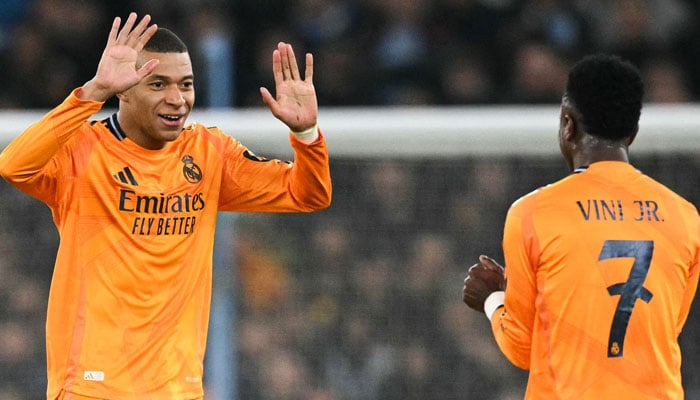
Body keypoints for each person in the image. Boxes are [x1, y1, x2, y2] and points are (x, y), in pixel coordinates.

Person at [0, 12, 331, 400]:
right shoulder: (83, 150)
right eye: (158, 84)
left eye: (186, 85)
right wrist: (92, 92)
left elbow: (307, 193)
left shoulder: (209, 154)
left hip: (178, 389)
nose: (177, 99)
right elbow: (14, 166)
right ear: (123, 89)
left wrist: (306, 135)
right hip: (92, 387)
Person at [462, 54, 699, 399]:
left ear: (567, 123)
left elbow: (523, 348)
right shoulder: (685, 217)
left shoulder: (533, 214)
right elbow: (663, 328)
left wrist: (492, 298)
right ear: (633, 132)